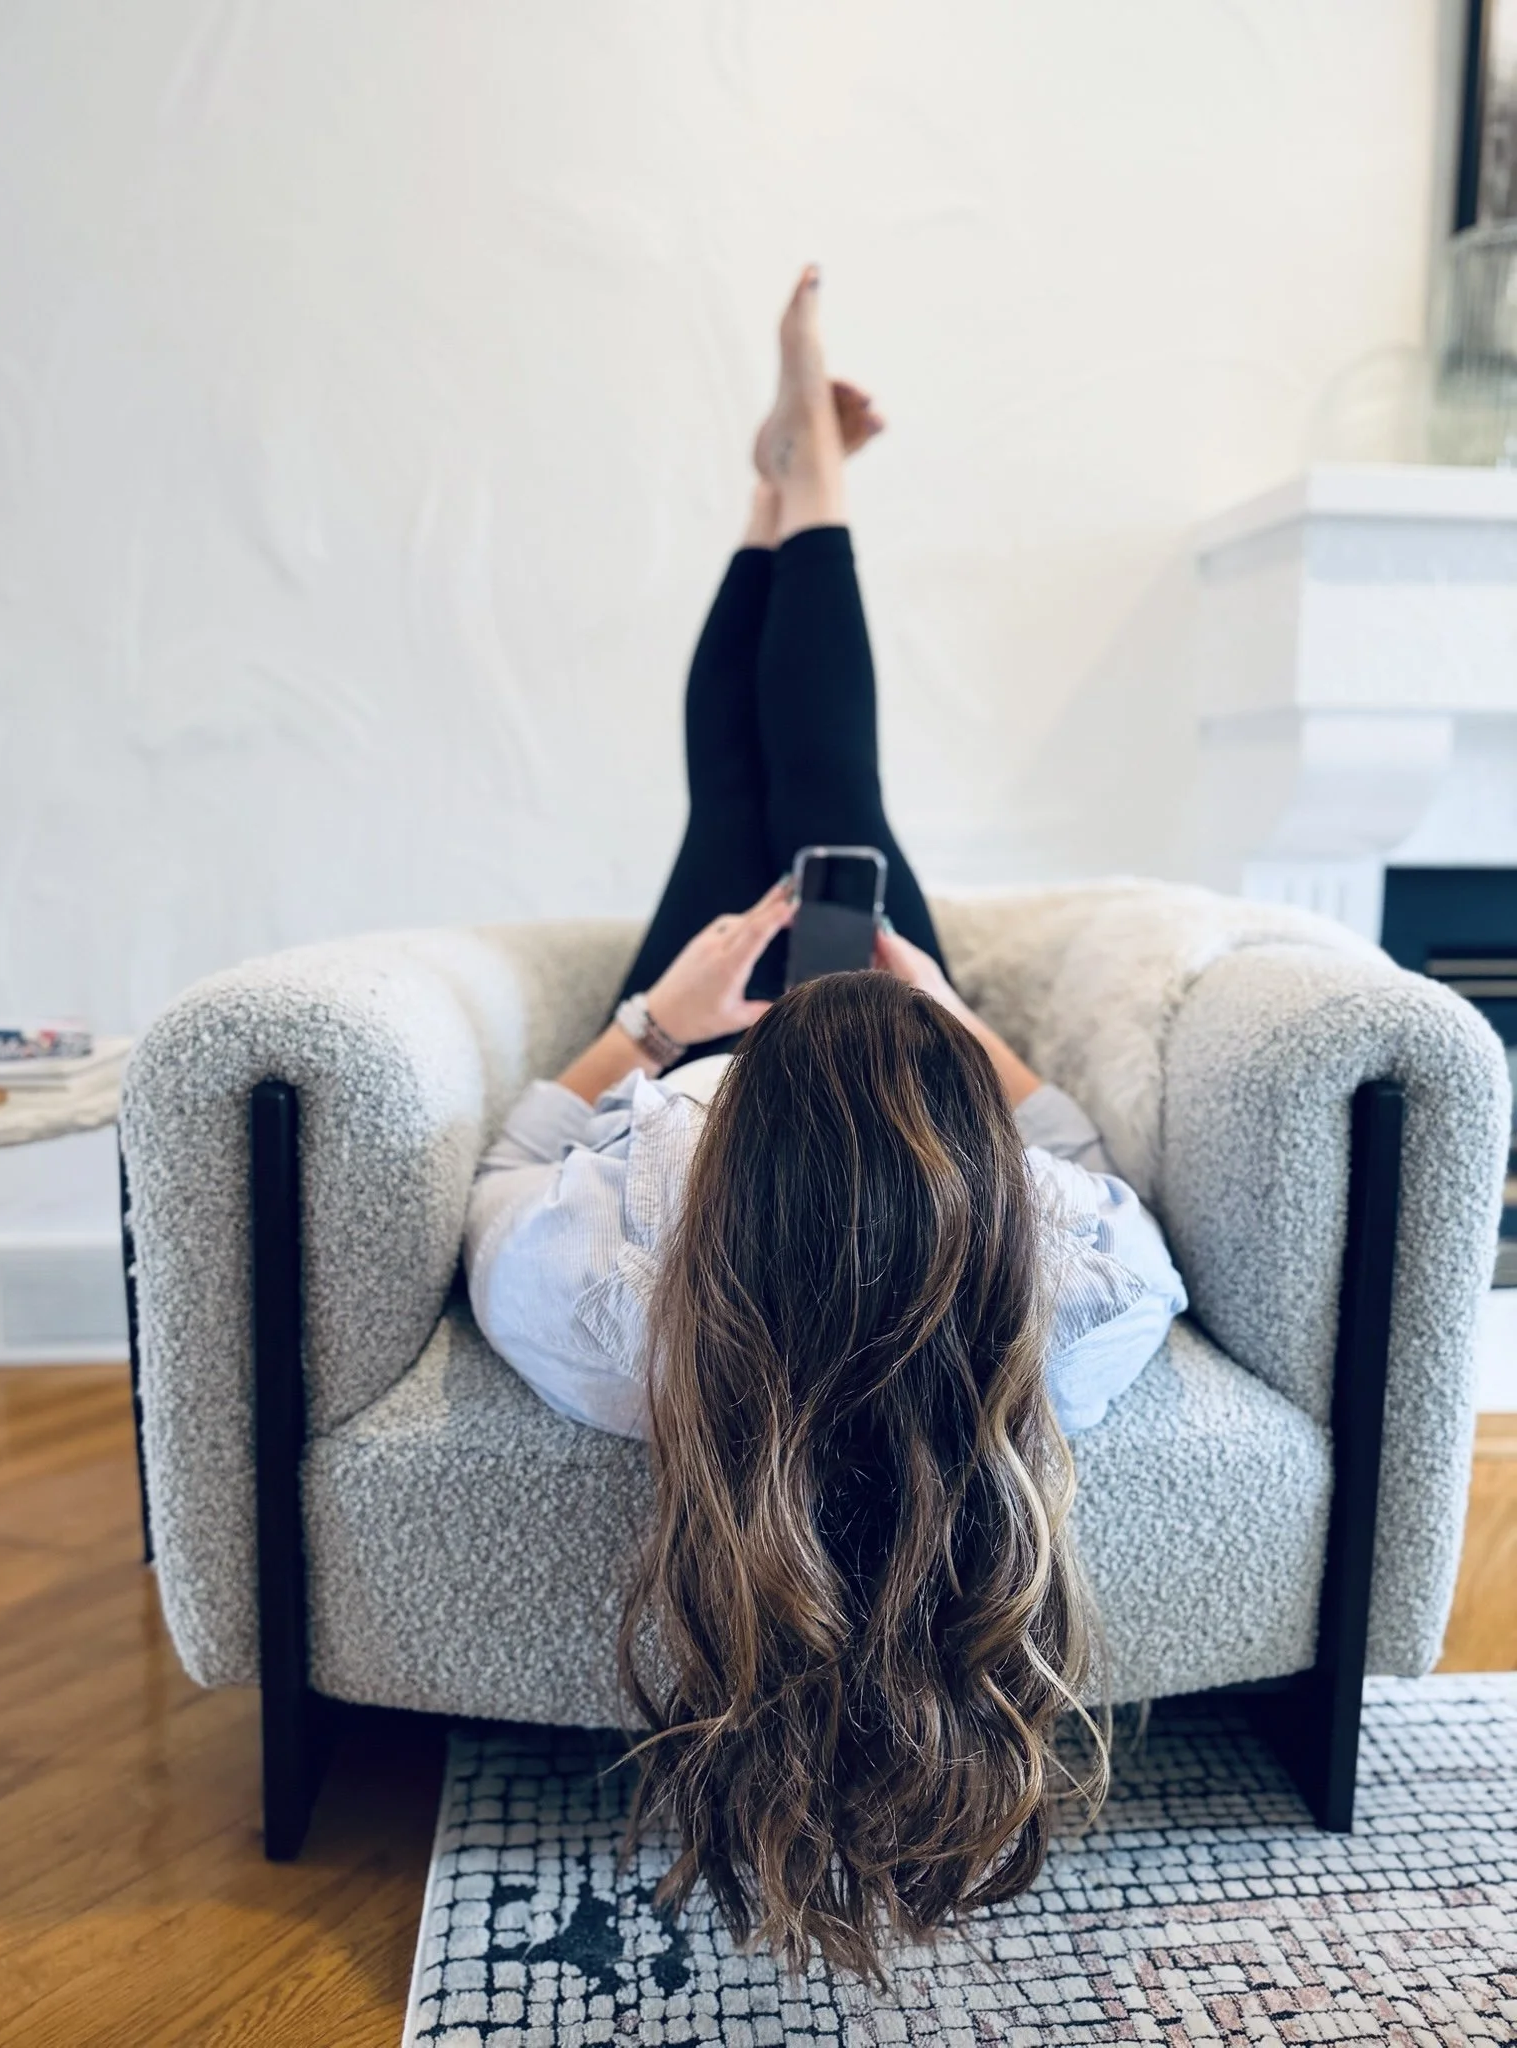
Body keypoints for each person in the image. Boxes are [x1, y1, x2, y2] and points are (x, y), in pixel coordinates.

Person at [462, 267, 1187, 1981]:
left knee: (750, 798)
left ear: (717, 1140)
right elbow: (1083, 1175)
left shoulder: (623, 1320)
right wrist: (956, 1032)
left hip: (705, 1031)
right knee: (812, 800)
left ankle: (793, 474)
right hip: (874, 1061)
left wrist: (661, 1024)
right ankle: (800, 476)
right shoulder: (1055, 1316)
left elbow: (504, 1170)